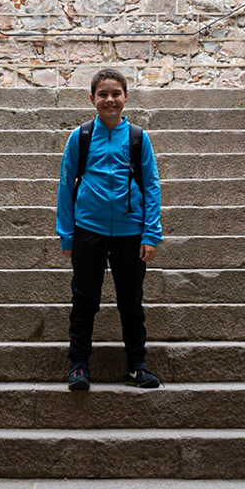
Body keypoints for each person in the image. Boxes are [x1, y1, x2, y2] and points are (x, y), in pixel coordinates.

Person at [56, 67, 163, 391]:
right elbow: (66, 185)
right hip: (89, 228)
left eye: (116, 93)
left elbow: (151, 186)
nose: (110, 100)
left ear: (126, 97)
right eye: (103, 94)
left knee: (131, 301)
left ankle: (137, 365)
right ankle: (78, 365)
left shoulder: (138, 138)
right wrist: (67, 234)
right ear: (92, 98)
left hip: (131, 232)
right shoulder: (81, 136)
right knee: (84, 299)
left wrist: (151, 233)